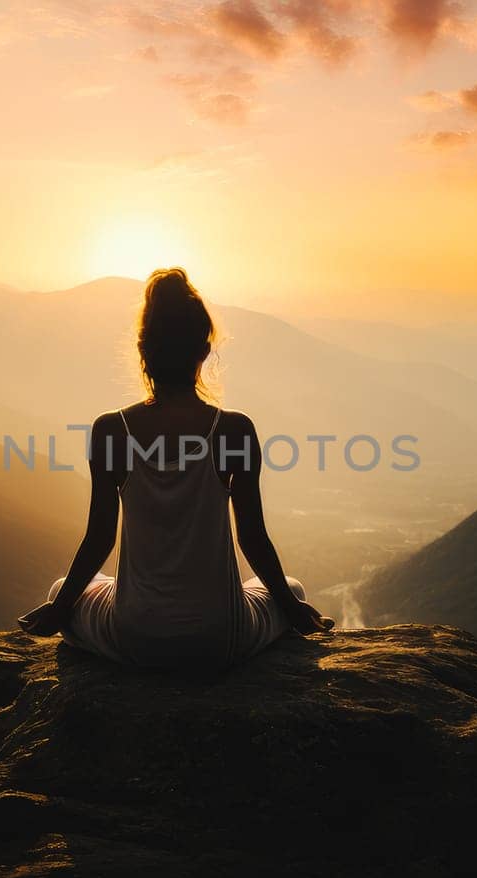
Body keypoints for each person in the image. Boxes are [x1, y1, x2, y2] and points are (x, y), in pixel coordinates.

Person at [17, 267, 334, 669]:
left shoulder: (112, 430)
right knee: (293, 588)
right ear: (204, 351)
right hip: (219, 639)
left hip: (136, 636)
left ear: (142, 349)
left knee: (61, 588)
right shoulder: (234, 430)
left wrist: (60, 611)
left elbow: (99, 539)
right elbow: (252, 538)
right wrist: (292, 610)